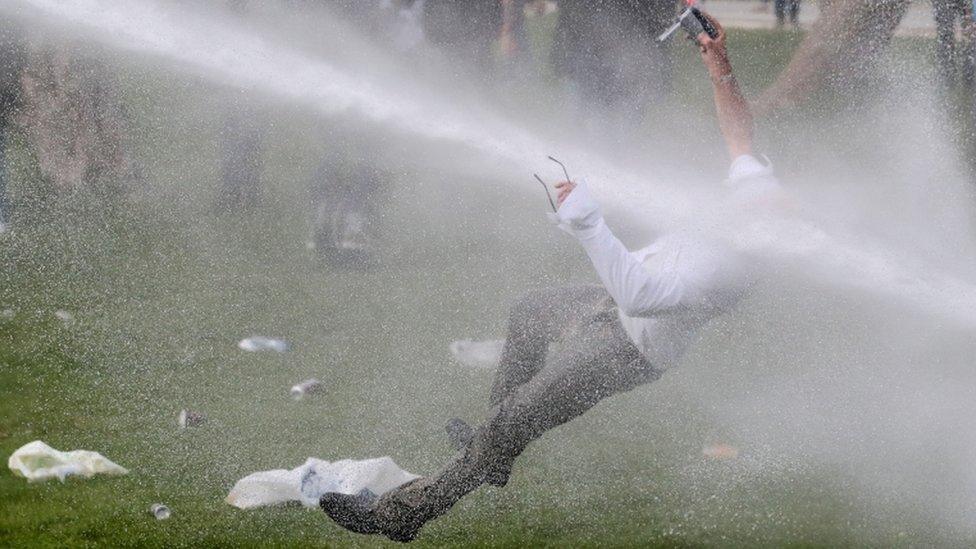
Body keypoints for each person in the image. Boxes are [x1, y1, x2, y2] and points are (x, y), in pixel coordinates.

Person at [320, 11, 783, 542]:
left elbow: (639, 295)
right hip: (609, 309)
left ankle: (400, 516)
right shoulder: (756, 197)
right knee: (531, 311)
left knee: (515, 421)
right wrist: (719, 62)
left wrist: (586, 222)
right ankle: (490, 445)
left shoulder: (727, 270)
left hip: (626, 351)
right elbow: (740, 135)